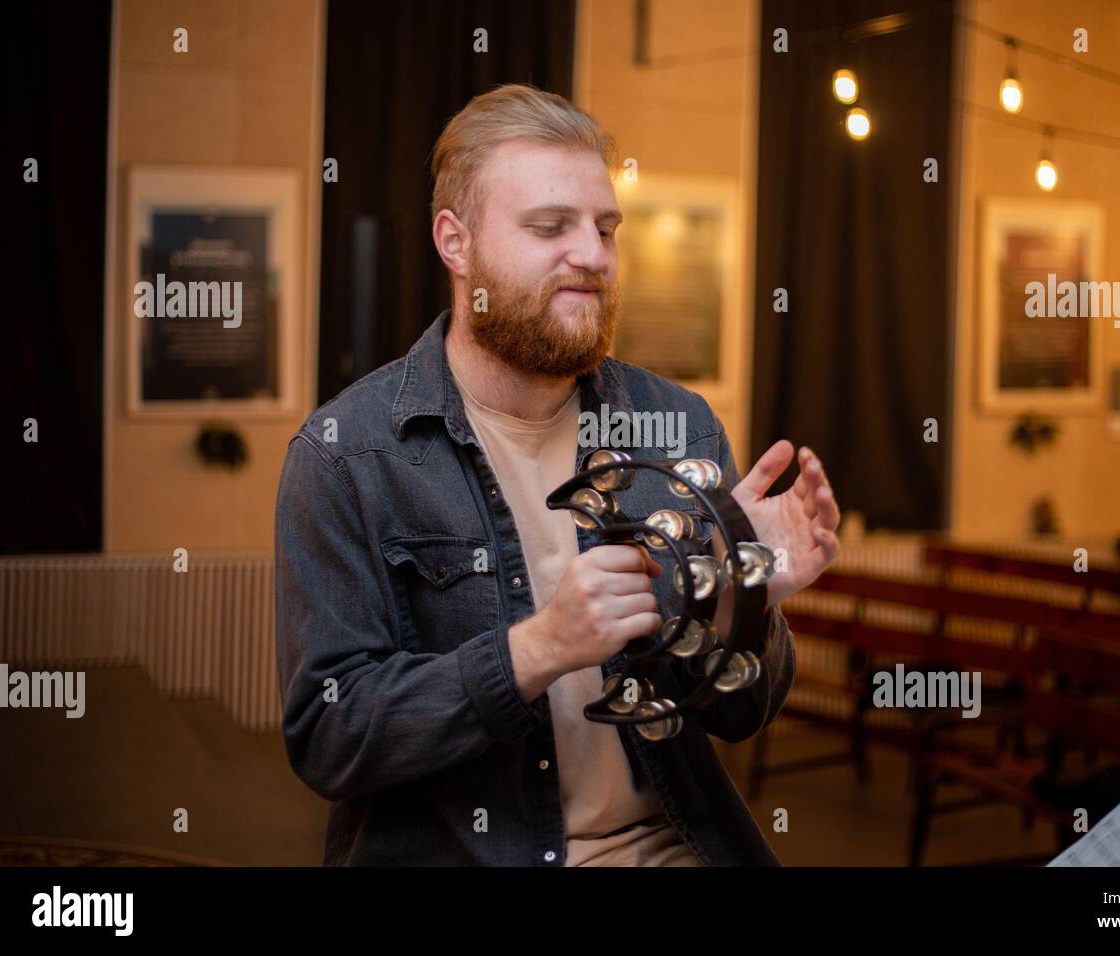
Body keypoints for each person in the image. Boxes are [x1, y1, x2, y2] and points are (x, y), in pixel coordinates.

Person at [274, 83, 841, 866]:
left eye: (606, 228)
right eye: (550, 226)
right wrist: (536, 650)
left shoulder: (677, 427)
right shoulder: (346, 455)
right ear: (456, 242)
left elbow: (745, 714)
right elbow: (330, 738)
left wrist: (736, 603)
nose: (593, 254)